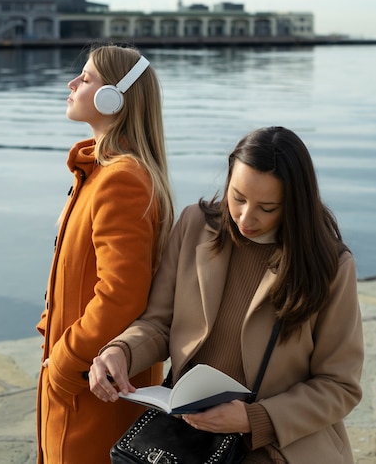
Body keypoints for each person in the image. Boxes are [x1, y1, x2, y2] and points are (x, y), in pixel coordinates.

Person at [89, 126, 364, 464]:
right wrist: (122, 352)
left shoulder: (331, 265)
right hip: (190, 437)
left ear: (294, 203)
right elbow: (159, 324)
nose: (246, 217)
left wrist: (254, 418)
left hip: (281, 446)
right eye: (238, 197)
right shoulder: (193, 225)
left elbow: (340, 385)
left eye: (267, 207)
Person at [36, 43, 174, 464]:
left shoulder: (121, 180)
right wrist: (51, 327)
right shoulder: (99, 173)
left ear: (112, 97)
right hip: (85, 377)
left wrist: (65, 360)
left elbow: (120, 295)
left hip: (95, 385)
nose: (72, 83)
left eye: (87, 77)